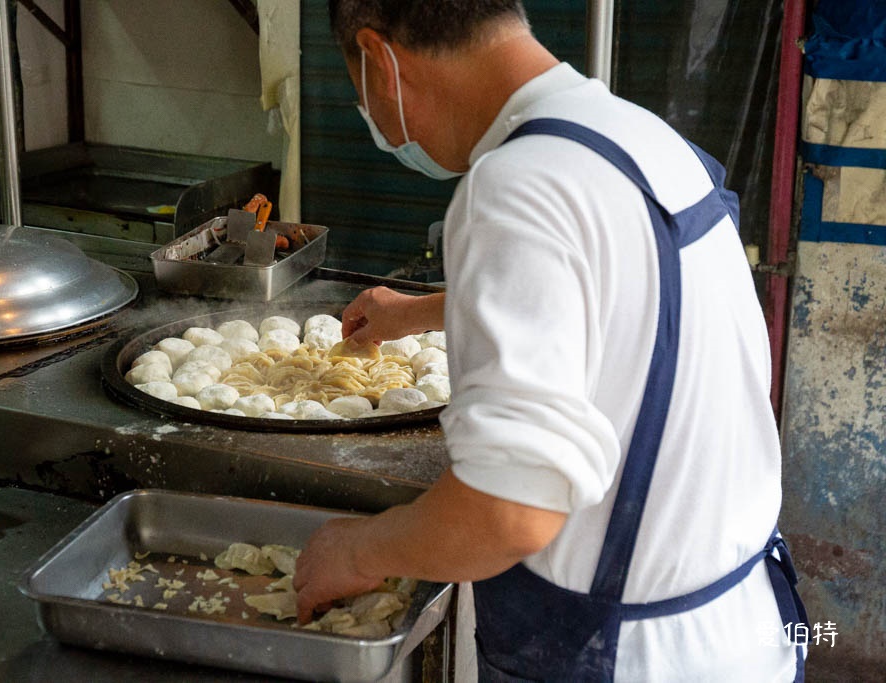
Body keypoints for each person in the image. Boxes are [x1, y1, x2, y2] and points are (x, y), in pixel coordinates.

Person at [293, 1, 807, 680]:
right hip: (743, 629)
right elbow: (624, 300)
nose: (372, 118)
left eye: (359, 94)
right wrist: (421, 312)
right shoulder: (638, 137)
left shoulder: (512, 185)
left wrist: (358, 550)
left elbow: (510, 510)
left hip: (624, 655)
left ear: (380, 63)